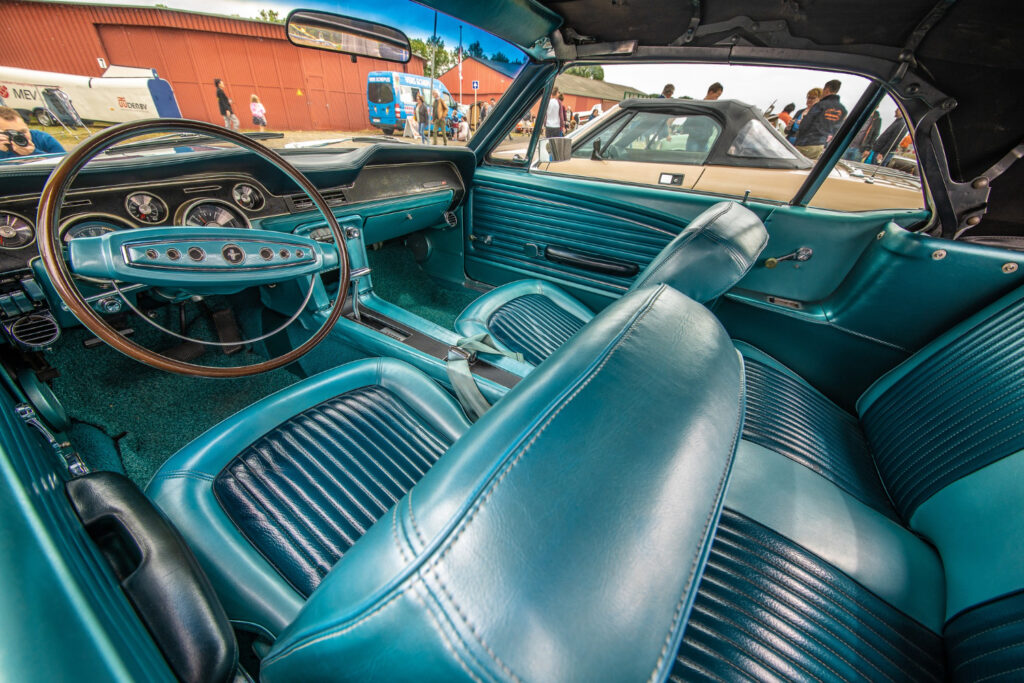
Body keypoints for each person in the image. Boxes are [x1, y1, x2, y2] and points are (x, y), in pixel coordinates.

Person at [793, 79, 846, 159]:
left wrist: (800, 134)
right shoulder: (842, 110)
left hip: (806, 142)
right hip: (820, 145)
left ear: (827, 90)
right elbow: (836, 129)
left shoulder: (821, 105)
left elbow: (806, 123)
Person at [0, 106, 65, 160]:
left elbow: (66, 166)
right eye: (11, 133)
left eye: (23, 131)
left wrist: (34, 153)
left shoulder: (42, 138)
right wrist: (2, 153)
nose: (19, 136)